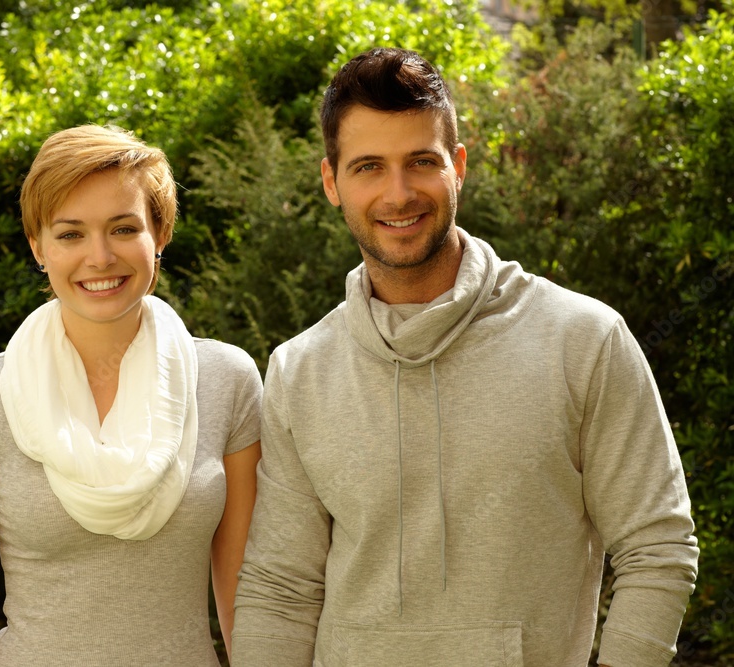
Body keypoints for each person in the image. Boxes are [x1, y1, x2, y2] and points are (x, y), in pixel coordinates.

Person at [232, 48, 698, 667]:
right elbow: (281, 590)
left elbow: (657, 547)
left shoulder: (582, 339)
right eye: (369, 167)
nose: (398, 194)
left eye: (421, 162)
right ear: (331, 182)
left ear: (458, 166)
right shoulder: (300, 369)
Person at [0, 125, 262, 666]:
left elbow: (249, 601)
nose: (100, 257)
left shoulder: (228, 379)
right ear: (38, 247)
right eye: (70, 234)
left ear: (161, 234)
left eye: (124, 228)